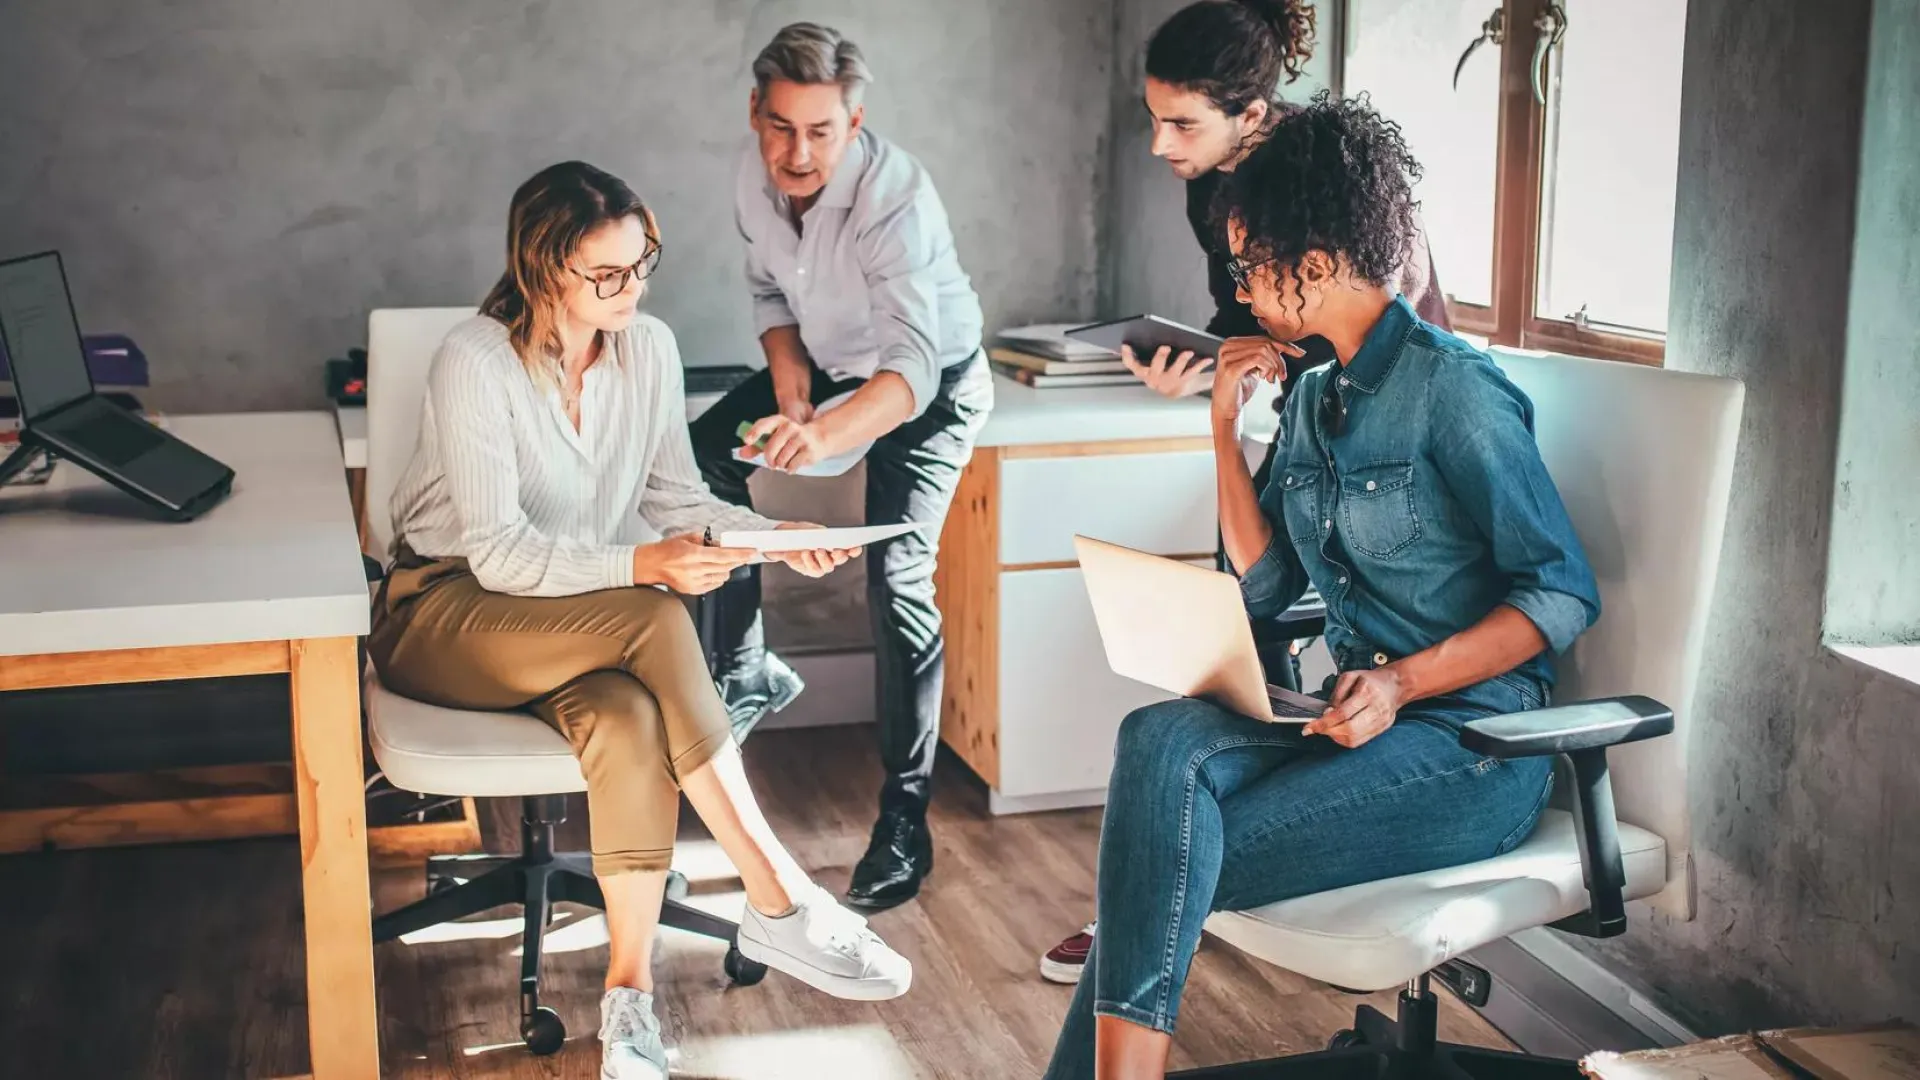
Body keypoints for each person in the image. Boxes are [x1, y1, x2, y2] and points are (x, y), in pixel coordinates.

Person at [1041, 94, 1601, 1080]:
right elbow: (1262, 590)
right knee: (1156, 740)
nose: (1242, 286)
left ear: (1318, 260)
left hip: (1473, 748)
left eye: (1253, 263)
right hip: (1343, 713)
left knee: (1167, 851)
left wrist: (1401, 684)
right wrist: (1220, 427)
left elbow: (1559, 595)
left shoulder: (1452, 392)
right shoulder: (1309, 393)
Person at [368, 161, 913, 1080]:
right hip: (445, 609)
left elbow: (674, 497)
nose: (633, 288)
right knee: (657, 616)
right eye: (607, 274)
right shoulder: (475, 359)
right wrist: (640, 566)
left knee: (627, 717)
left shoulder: (647, 348)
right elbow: (498, 553)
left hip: (566, 616)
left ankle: (629, 1009)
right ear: (544, 269)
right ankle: (777, 893)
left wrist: (771, 536)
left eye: (642, 264)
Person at [1040, 0, 1451, 987]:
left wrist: (1259, 360)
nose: (1158, 144)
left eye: (1181, 123)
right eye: (1154, 118)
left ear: (1253, 114)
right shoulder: (1207, 189)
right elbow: (1243, 320)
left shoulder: (1332, 176)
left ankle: (1195, 874)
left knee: (1261, 612)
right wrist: (1212, 364)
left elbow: (1364, 311)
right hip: (1303, 409)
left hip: (1382, 418)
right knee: (1224, 624)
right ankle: (1179, 874)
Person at [690, 23, 993, 913]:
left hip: (925, 389)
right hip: (829, 364)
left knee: (897, 580)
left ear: (855, 122)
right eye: (782, 127)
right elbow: (769, 289)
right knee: (700, 454)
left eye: (822, 132)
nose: (798, 152)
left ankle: (904, 826)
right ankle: (743, 665)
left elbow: (913, 368)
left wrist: (823, 437)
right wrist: (787, 371)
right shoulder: (758, 175)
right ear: (756, 111)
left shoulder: (895, 198)